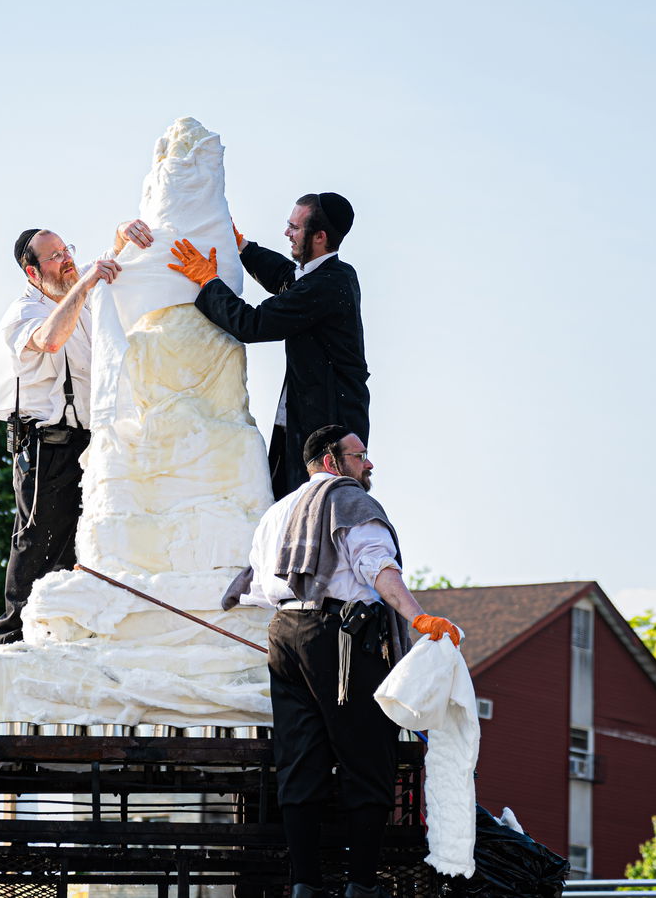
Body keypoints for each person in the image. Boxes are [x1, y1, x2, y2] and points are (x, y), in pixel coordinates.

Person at [224, 424, 462, 898]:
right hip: (343, 639)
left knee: (299, 760)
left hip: (286, 639)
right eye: (359, 455)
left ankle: (304, 886)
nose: (368, 464)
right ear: (332, 462)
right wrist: (418, 618)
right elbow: (377, 566)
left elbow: (255, 587)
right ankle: (361, 886)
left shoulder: (276, 512)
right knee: (367, 756)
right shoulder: (349, 500)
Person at [0, 220, 153, 645]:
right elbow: (51, 339)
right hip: (47, 447)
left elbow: (106, 264)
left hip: (91, 445)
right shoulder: (26, 311)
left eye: (65, 249)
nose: (66, 259)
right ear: (32, 272)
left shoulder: (76, 290)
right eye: (54, 257)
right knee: (37, 542)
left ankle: (61, 636)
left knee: (81, 547)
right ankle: (11, 642)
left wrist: (122, 235)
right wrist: (85, 283)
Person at [168, 193, 369, 500]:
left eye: (294, 228)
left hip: (327, 436)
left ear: (319, 236)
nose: (286, 233)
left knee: (311, 516)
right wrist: (243, 248)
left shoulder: (326, 286)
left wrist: (209, 282)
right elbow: (287, 278)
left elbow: (252, 324)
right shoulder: (331, 276)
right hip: (308, 424)